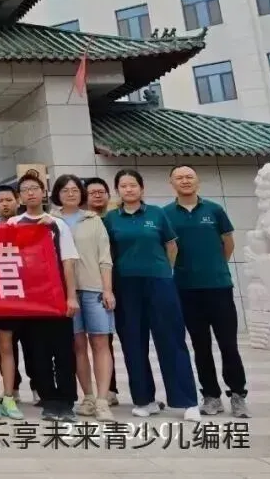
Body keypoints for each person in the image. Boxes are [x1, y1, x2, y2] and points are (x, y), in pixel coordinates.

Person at [103, 169, 200, 421]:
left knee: (171, 340)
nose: (129, 189)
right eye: (123, 186)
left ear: (142, 188)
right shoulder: (111, 219)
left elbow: (171, 246)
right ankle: (144, 400)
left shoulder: (157, 213)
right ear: (117, 191)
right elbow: (107, 254)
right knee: (133, 343)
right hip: (125, 285)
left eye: (133, 185)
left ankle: (187, 401)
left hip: (159, 282)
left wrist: (164, 270)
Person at [164, 165, 249, 418]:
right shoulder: (166, 214)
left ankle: (237, 394)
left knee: (228, 344)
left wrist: (215, 267)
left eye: (189, 177)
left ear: (197, 181)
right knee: (200, 346)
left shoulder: (214, 210)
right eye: (179, 178)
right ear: (172, 183)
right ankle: (211, 396)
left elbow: (228, 243)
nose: (185, 181)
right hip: (186, 289)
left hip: (218, 287)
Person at [11, 173, 80, 422]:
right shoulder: (13, 224)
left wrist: (71, 297)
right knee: (37, 352)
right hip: (30, 301)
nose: (30, 193)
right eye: (25, 189)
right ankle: (49, 400)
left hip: (56, 297)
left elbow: (68, 262)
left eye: (35, 188)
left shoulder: (57, 224)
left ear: (44, 193)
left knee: (63, 352)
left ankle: (67, 401)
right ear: (20, 196)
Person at [50, 174, 115, 422]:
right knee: (77, 345)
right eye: (65, 190)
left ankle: (102, 399)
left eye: (75, 190)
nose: (70, 194)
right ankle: (87, 397)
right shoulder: (50, 221)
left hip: (94, 289)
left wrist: (107, 289)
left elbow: (105, 257)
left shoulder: (93, 220)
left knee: (100, 342)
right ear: (57, 194)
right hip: (66, 293)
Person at [0, 184, 31, 407]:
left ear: (17, 201)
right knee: (6, 346)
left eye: (8, 200)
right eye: (0, 201)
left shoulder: (30, 225)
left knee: (31, 344)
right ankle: (12, 389)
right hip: (2, 294)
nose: (4, 204)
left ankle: (37, 385)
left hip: (29, 294)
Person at [84, 175, 119, 407]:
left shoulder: (116, 218)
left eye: (101, 192)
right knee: (102, 339)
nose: (97, 195)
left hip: (120, 284)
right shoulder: (84, 221)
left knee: (124, 339)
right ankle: (109, 390)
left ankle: (142, 394)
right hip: (95, 287)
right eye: (92, 192)